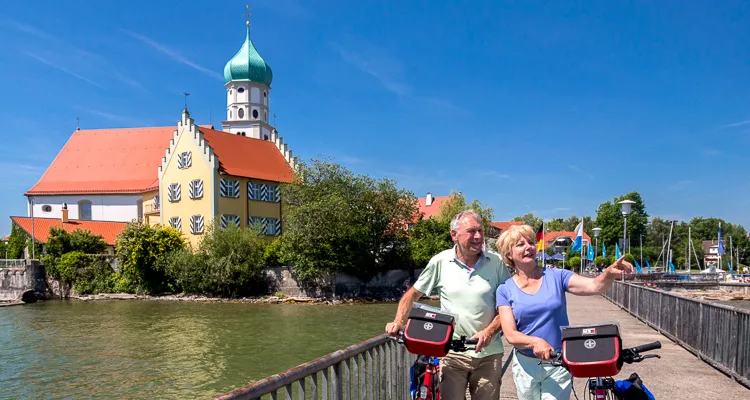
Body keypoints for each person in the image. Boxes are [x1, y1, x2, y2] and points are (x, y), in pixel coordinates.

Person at [495, 224, 634, 400]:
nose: (528, 247)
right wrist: (535, 342)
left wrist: (609, 273)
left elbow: (594, 286)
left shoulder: (556, 276)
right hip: (525, 366)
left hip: (558, 362)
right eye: (520, 244)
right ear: (509, 254)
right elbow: (511, 334)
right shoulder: (505, 290)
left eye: (530, 242)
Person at [385, 210, 511, 399]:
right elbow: (412, 294)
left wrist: (488, 332)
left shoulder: (496, 262)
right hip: (452, 353)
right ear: (454, 235)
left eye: (480, 231)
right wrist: (397, 321)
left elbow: (509, 305)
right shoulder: (440, 261)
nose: (478, 237)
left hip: (489, 353)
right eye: (471, 231)